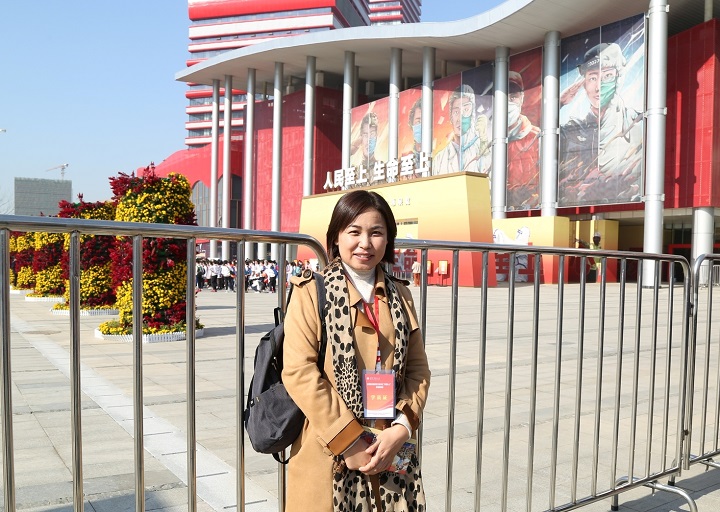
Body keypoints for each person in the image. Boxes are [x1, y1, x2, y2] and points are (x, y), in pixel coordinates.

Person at [282, 190, 431, 511]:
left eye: (376, 232)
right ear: (336, 237)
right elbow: (298, 371)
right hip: (327, 446)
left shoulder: (401, 294)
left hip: (388, 444)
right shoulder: (312, 292)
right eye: (354, 231)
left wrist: (402, 428)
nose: (365, 243)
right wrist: (348, 440)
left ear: (388, 239)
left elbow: (418, 370)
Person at [559, 42, 643, 205]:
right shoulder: (573, 130)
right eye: (592, 78)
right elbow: (540, 149)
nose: (599, 87)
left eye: (607, 76)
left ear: (619, 78)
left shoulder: (637, 123)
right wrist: (558, 103)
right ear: (584, 84)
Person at [432, 84, 489, 176]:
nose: (460, 118)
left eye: (466, 110)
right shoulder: (439, 159)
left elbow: (491, 178)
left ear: (472, 114)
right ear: (451, 116)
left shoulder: (482, 148)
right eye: (456, 112)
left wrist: (484, 143)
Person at [506, 70, 541, 210]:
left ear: (522, 98)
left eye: (513, 96)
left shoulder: (537, 137)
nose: (508, 102)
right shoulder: (489, 142)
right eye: (504, 97)